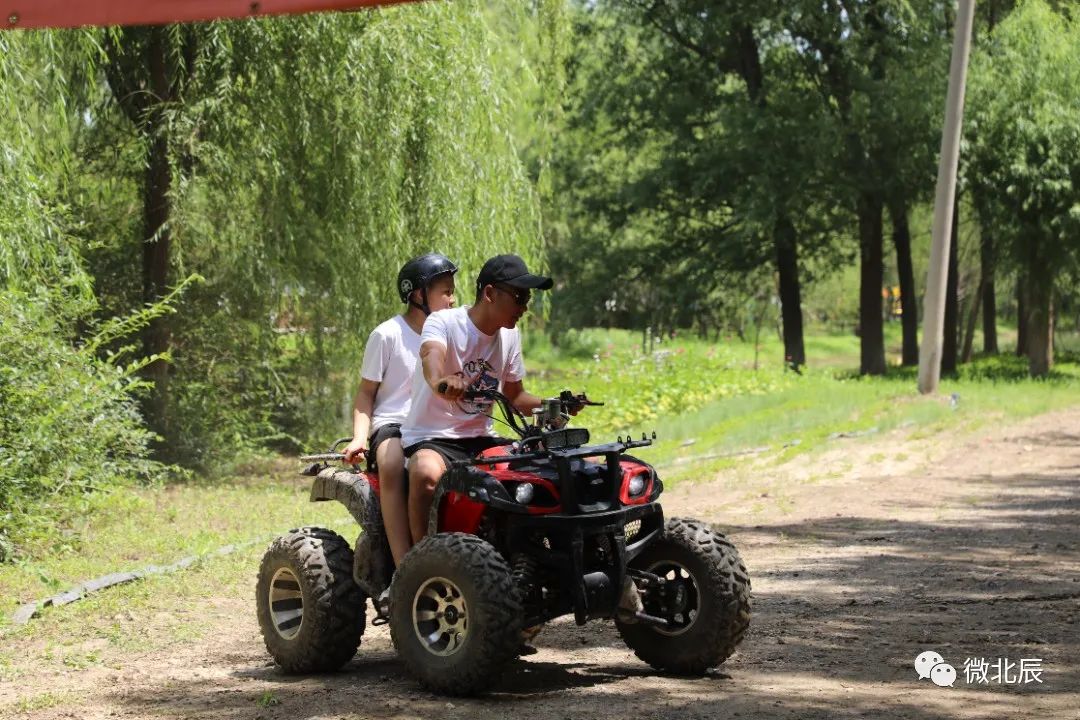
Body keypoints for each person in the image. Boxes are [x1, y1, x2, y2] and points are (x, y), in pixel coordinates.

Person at [401, 254, 553, 543]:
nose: (525, 307)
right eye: (519, 297)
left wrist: (553, 403)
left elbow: (516, 396)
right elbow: (431, 359)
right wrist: (441, 382)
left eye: (528, 298)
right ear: (490, 293)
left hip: (481, 439)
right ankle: (420, 561)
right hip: (433, 438)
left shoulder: (510, 335)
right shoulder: (443, 322)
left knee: (536, 469)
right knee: (425, 473)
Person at [343, 253, 458, 568]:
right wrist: (359, 438)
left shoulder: (451, 332)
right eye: (445, 291)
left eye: (453, 291)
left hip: (435, 423)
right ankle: (405, 567)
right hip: (394, 422)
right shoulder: (387, 334)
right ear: (419, 295)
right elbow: (366, 394)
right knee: (392, 462)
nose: (453, 299)